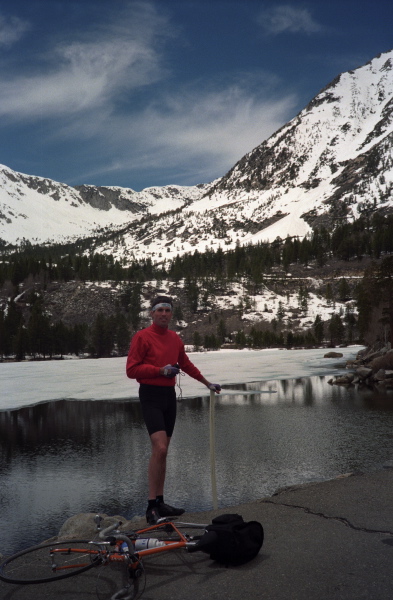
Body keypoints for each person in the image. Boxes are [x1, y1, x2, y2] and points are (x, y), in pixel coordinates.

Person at [126, 295, 221, 524]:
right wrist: (160, 371)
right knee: (159, 448)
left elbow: (185, 363)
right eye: (159, 310)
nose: (164, 314)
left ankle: (160, 501)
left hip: (169, 397)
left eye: (168, 310)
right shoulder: (142, 337)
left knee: (164, 451)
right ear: (152, 313)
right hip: (150, 395)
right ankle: (151, 507)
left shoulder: (174, 338)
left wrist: (207, 383)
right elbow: (132, 370)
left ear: (171, 314)